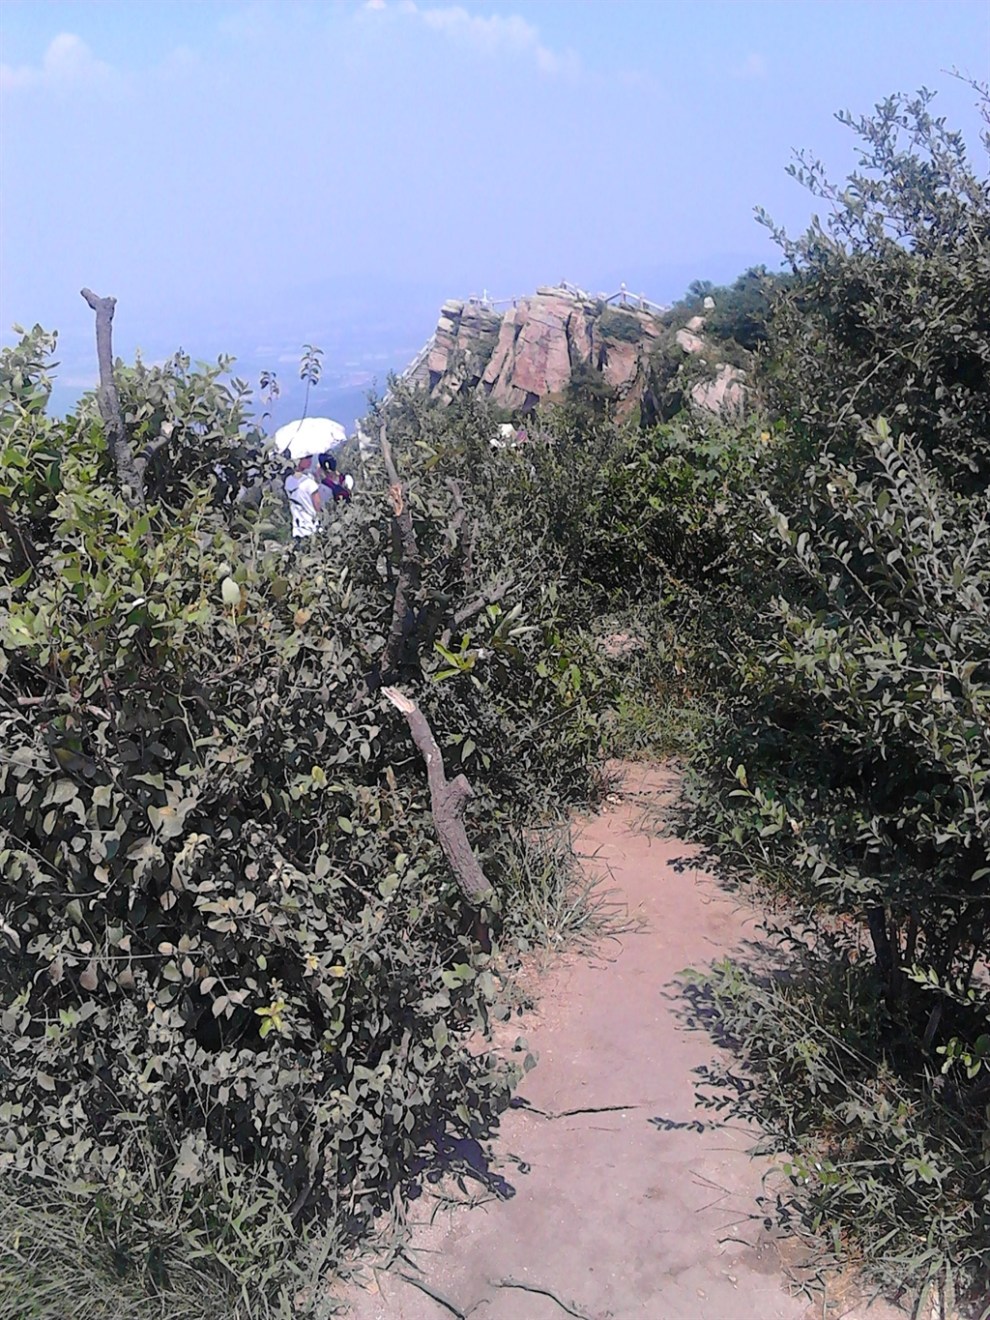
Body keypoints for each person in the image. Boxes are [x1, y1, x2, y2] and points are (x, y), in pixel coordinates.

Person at [284, 456, 322, 537]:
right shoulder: (309, 483)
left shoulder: (288, 481)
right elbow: (318, 505)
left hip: (298, 529)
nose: (310, 459)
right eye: (308, 457)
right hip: (312, 528)